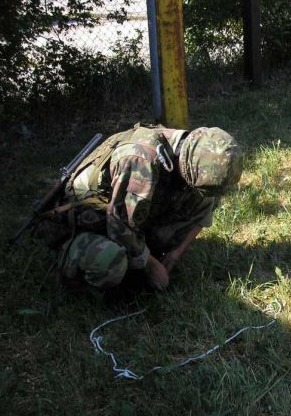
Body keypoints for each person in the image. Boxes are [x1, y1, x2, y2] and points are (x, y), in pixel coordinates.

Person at [41, 123, 243, 292]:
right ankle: (73, 265)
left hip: (124, 215)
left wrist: (174, 255)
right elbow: (119, 225)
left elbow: (205, 209)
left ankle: (138, 256)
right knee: (111, 264)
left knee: (198, 200)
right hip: (87, 221)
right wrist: (152, 266)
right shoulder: (143, 161)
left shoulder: (192, 153)